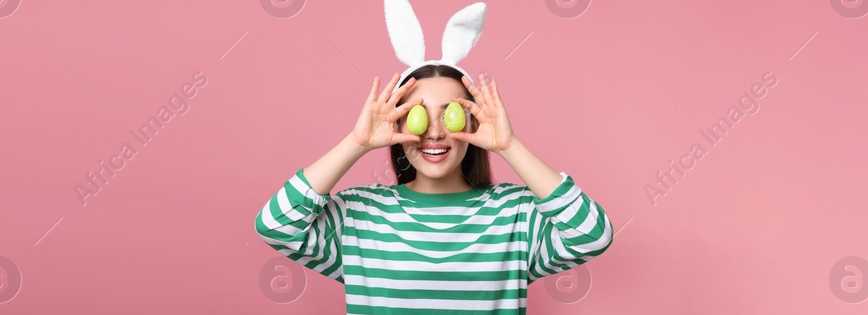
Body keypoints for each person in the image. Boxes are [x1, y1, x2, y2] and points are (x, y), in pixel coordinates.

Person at [254, 64, 614, 314]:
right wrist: (357, 142)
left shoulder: (514, 214)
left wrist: (509, 146)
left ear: (474, 122)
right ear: (396, 121)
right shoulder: (360, 215)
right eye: (418, 114)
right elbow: (275, 225)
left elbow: (592, 235)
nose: (435, 132)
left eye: (451, 113)